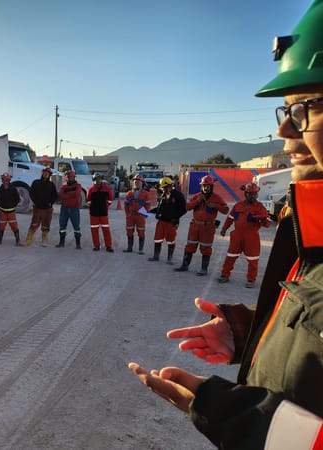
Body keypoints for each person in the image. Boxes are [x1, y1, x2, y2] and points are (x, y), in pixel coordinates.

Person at [129, 2, 323, 448]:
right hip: (213, 232)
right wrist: (253, 331)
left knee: (245, 258)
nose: (286, 133)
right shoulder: (314, 227)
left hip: (240, 236)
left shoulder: (280, 214)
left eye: (304, 108)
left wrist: (236, 417)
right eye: (285, 112)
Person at [218, 182, 271, 288]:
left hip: (251, 237)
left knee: (253, 259)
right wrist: (224, 229)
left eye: (255, 194)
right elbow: (230, 218)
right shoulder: (238, 206)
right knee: (230, 256)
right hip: (237, 235)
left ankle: (251, 280)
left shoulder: (260, 207)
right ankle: (225, 275)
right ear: (245, 194)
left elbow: (268, 222)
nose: (253, 196)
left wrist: (262, 219)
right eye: (251, 194)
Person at [174, 174, 229, 275]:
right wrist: (197, 202)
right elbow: (187, 207)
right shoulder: (196, 196)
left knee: (206, 248)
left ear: (212, 187)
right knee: (190, 245)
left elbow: (226, 210)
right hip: (195, 226)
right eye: (204, 186)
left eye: (207, 186)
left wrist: (216, 205)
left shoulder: (217, 198)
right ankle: (184, 265)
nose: (205, 188)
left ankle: (204, 269)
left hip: (208, 227)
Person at [147, 176, 187, 264]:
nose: (163, 190)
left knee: (170, 240)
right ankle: (156, 256)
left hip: (171, 223)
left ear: (170, 186)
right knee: (157, 239)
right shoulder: (163, 195)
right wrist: (148, 212)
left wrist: (174, 218)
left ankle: (170, 259)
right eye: (162, 188)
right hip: (161, 221)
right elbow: (159, 208)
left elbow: (183, 210)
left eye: (164, 188)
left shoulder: (178, 196)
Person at [25, 166, 58, 247]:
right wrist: (35, 202)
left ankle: (44, 240)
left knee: (46, 225)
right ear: (42, 173)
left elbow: (55, 195)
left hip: (47, 209)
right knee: (34, 224)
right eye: (45, 173)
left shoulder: (52, 185)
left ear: (50, 175)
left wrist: (51, 203)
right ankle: (28, 239)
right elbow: (31, 193)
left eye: (48, 173)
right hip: (38, 208)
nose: (46, 174)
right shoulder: (36, 183)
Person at [122, 174, 151, 254]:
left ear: (141, 183)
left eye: (138, 181)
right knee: (129, 231)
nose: (136, 183)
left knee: (141, 231)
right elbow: (125, 205)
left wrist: (144, 213)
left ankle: (141, 249)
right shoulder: (129, 194)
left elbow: (148, 205)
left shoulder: (146, 194)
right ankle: (129, 248)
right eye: (135, 181)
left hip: (140, 216)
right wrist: (127, 214)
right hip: (130, 216)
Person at [86, 172, 114, 252]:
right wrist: (94, 207)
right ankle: (96, 246)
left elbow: (110, 200)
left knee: (106, 230)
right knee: (94, 230)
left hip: (103, 213)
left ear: (101, 180)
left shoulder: (106, 189)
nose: (97, 181)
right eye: (95, 180)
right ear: (93, 180)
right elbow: (88, 200)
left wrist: (105, 206)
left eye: (99, 179)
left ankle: (108, 246)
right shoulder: (90, 190)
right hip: (93, 214)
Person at [56, 170, 82, 249]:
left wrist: (67, 194)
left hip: (74, 208)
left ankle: (78, 244)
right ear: (67, 178)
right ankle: (61, 242)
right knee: (62, 226)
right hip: (64, 209)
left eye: (72, 177)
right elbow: (61, 195)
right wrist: (71, 194)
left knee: (76, 227)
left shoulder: (78, 186)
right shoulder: (64, 187)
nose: (71, 178)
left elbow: (77, 194)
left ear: (74, 177)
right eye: (70, 177)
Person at [0, 172, 22, 246]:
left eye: (7, 180)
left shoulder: (13, 189)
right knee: (1, 226)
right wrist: (1, 206)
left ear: (9, 180)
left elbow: (17, 198)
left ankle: (18, 241)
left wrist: (13, 205)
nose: (5, 182)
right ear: (2, 181)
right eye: (4, 180)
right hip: (2, 211)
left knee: (14, 226)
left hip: (11, 212)